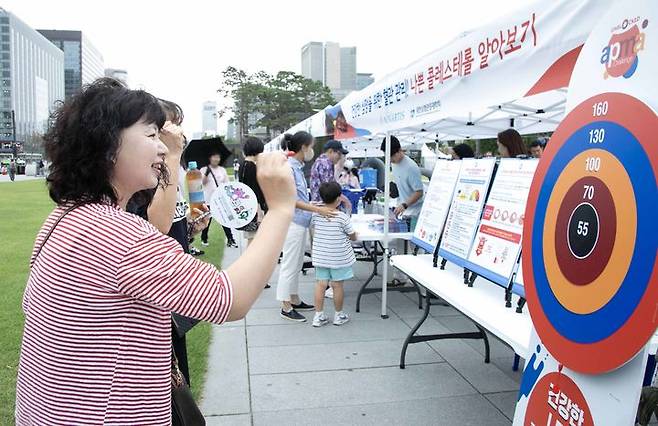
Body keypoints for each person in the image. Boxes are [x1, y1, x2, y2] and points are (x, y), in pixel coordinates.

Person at [15, 78, 296, 424]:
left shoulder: (64, 218)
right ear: (107, 146)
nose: (163, 149)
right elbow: (231, 298)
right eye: (151, 136)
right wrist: (281, 208)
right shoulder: (118, 234)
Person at [277, 131, 337, 322]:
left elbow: (301, 197)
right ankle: (285, 306)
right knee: (289, 264)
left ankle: (293, 298)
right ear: (304, 147)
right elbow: (292, 200)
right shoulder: (289, 168)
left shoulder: (297, 167)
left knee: (295, 264)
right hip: (293, 221)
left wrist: (315, 206)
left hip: (300, 221)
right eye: (311, 147)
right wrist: (317, 209)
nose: (312, 150)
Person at [310, 182, 357, 327]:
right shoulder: (342, 217)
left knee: (320, 285)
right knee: (337, 286)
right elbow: (352, 236)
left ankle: (318, 316)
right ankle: (338, 315)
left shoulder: (316, 214)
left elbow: (313, 227)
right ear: (338, 199)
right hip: (338, 258)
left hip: (320, 256)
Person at [238, 136, 271, 289]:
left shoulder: (243, 165)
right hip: (254, 211)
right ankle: (251, 278)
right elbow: (253, 192)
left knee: (252, 244)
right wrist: (259, 213)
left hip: (248, 209)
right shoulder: (251, 166)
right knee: (253, 245)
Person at [380, 136, 424, 231]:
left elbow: (419, 192)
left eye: (392, 156)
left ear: (400, 150)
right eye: (387, 156)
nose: (390, 159)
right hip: (403, 212)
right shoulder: (394, 163)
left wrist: (404, 205)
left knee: (410, 242)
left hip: (415, 213)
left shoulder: (411, 167)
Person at [201, 151, 237, 248]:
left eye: (218, 157)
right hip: (208, 200)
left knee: (225, 220)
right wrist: (206, 174)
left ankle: (231, 239)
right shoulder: (204, 169)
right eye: (214, 157)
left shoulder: (222, 170)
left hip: (220, 200)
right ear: (210, 158)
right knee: (207, 221)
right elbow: (202, 183)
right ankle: (204, 238)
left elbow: (226, 184)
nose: (216, 159)